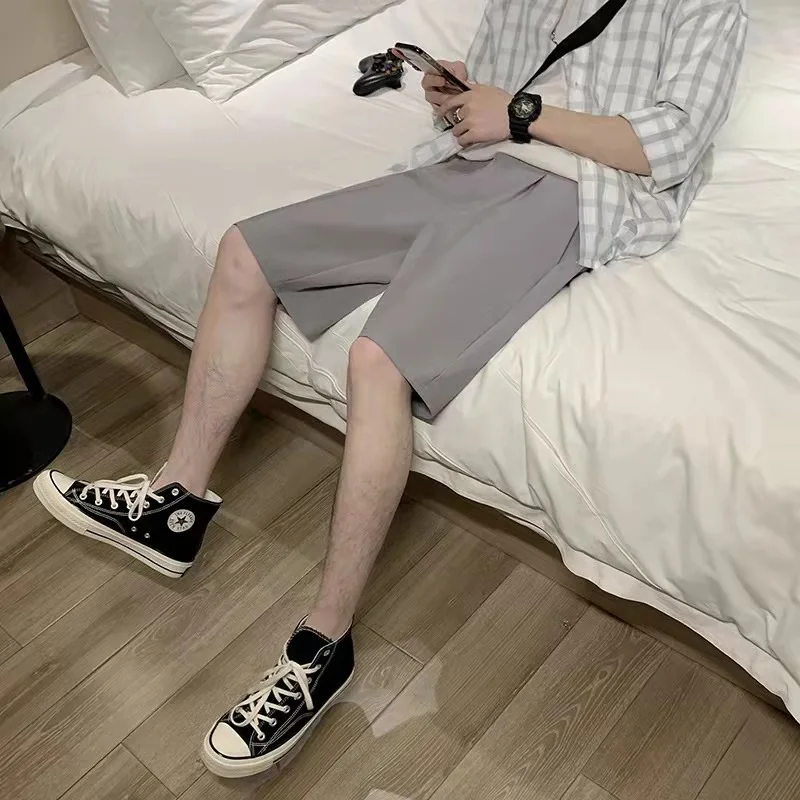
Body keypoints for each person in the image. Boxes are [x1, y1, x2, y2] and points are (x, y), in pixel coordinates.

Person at [34, 0, 747, 779]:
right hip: (467, 167)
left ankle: (324, 643)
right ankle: (173, 503)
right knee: (243, 251)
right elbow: (500, 83)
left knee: (378, 360)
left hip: (573, 192)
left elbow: (669, 144)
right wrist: (460, 95)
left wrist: (519, 112)